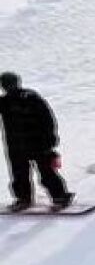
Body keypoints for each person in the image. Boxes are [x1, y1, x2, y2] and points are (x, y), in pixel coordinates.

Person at [0, 72, 73, 212]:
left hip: (37, 143)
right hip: (17, 146)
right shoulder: (4, 102)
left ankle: (60, 197)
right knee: (20, 174)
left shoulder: (31, 97)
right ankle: (23, 199)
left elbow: (48, 118)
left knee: (46, 172)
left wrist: (51, 138)